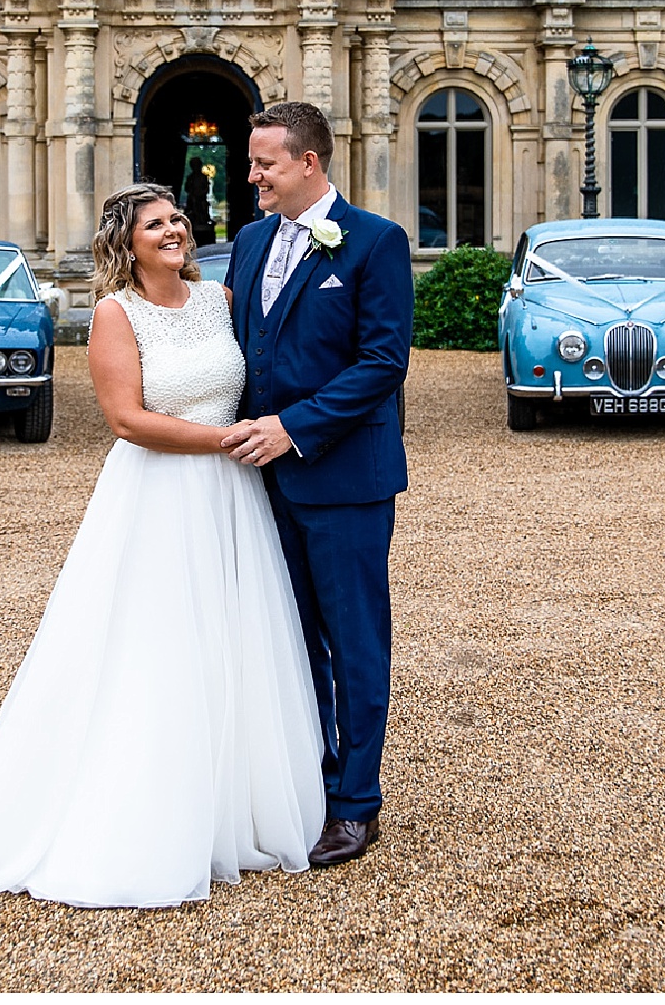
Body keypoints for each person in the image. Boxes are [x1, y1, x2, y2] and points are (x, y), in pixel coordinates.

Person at [0, 183, 325, 908]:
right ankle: (142, 813)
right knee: (153, 646)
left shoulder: (218, 301)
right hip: (160, 493)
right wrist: (227, 439)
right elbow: (127, 420)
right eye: (157, 225)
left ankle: (232, 804)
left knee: (230, 640)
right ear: (128, 242)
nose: (175, 231)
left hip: (232, 499)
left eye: (177, 218)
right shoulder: (116, 314)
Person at [219, 101, 412, 867]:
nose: (252, 175)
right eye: (252, 162)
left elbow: (382, 362)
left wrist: (293, 426)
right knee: (289, 640)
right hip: (258, 482)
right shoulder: (248, 239)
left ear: (309, 163)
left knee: (355, 641)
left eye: (265, 162)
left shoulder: (374, 242)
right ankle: (305, 782)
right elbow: (237, 345)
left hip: (344, 477)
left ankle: (356, 804)